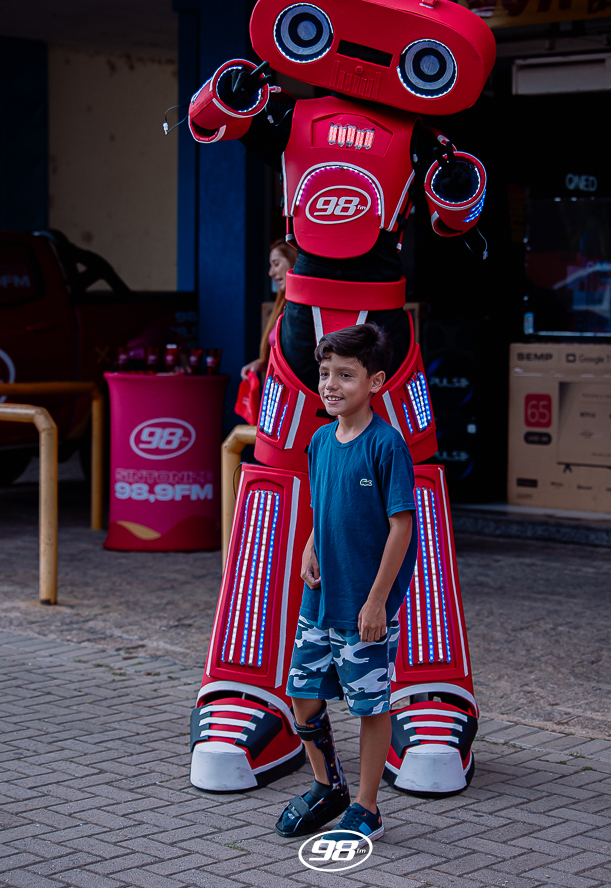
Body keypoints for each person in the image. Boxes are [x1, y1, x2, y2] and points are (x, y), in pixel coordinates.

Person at [275, 323, 418, 843]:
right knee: (302, 694)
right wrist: (311, 546)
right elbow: (324, 506)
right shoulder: (319, 440)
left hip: (363, 606)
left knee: (369, 706)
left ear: (375, 382)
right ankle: (327, 786)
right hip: (319, 601)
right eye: (324, 373)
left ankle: (367, 807)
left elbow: (402, 526)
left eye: (345, 375)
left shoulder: (387, 445)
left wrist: (377, 601)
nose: (330, 385)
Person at [240, 238, 298, 380]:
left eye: (276, 264)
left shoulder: (304, 308)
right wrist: (262, 364)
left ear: (294, 261)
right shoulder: (283, 305)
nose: (271, 273)